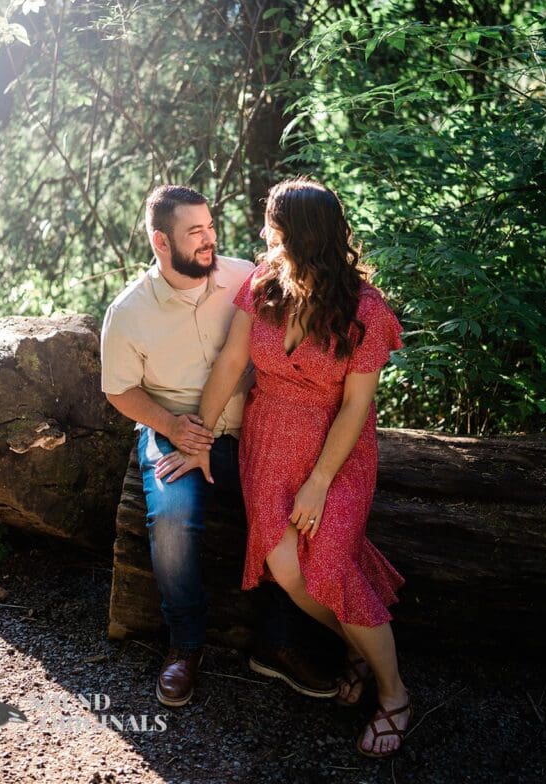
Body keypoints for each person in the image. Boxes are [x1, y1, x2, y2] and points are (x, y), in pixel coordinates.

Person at [155, 177, 411, 757]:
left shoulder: (365, 310)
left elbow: (355, 406)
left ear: (300, 235)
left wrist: (320, 484)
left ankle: (395, 693)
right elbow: (230, 363)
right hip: (268, 441)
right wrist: (197, 436)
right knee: (288, 567)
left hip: (335, 451)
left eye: (272, 226)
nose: (264, 236)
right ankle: (358, 645)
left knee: (331, 566)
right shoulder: (264, 286)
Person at [100, 184, 338, 708]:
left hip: (255, 429)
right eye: (195, 234)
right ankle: (185, 644)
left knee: (288, 514)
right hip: (174, 431)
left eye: (210, 228)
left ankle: (276, 643)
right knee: (170, 519)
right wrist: (174, 427)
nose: (210, 241)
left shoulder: (245, 278)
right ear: (161, 242)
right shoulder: (128, 312)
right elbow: (119, 389)